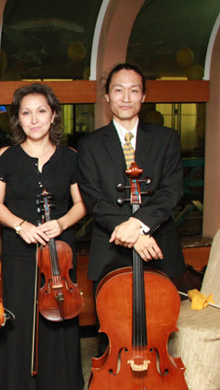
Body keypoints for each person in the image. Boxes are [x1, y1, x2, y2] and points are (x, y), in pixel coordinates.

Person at [0, 83, 86, 390]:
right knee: (19, 322)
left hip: (59, 251)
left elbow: (81, 204)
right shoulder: (6, 157)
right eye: (26, 112)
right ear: (17, 118)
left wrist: (61, 223)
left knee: (54, 320)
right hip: (19, 250)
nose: (34, 119)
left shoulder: (71, 157)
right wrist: (19, 226)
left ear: (53, 115)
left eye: (41, 111)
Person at [77, 63, 186, 354]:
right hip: (112, 249)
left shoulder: (167, 139)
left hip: (158, 246)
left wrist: (138, 225)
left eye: (134, 90)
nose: (126, 97)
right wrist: (135, 234)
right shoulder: (89, 144)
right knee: (111, 332)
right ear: (107, 96)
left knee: (158, 328)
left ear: (144, 96)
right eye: (118, 90)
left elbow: (171, 190)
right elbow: (92, 197)